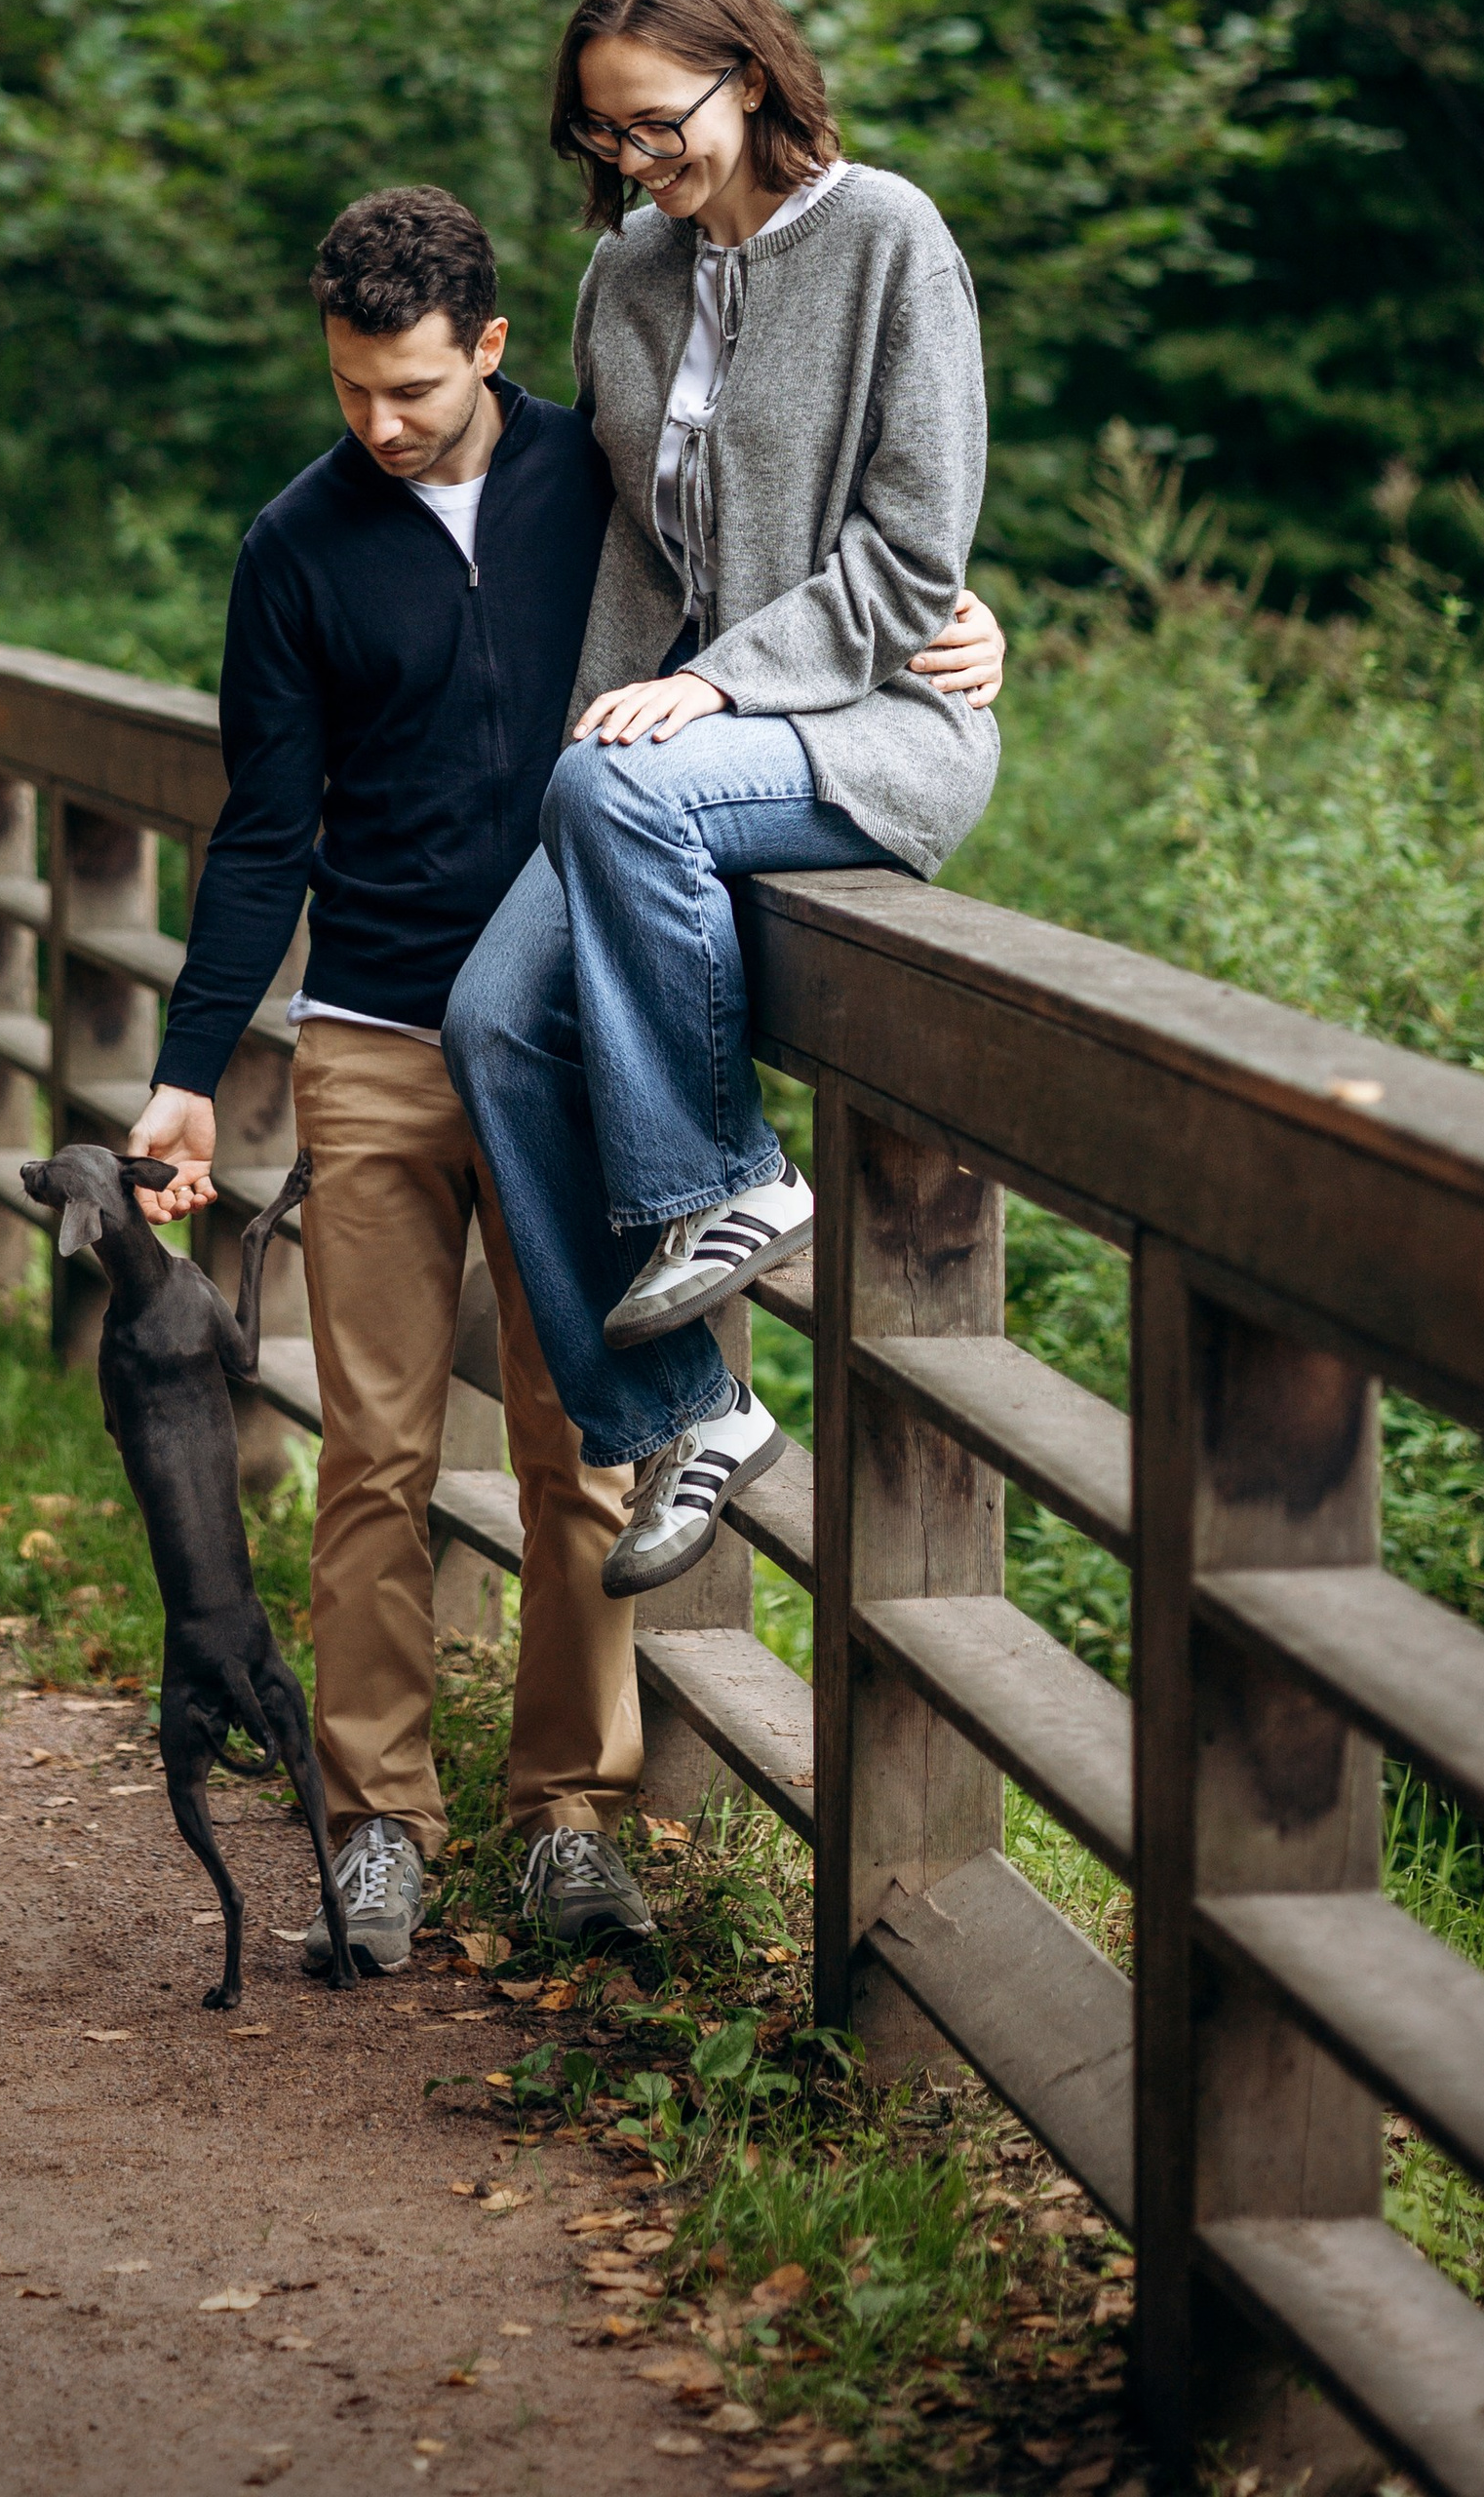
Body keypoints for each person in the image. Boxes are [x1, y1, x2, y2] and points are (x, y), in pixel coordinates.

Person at [128, 184, 1004, 1969]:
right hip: (375, 1040)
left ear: (497, 350)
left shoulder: (592, 482)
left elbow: (785, 574)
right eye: (353, 389)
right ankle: (375, 1830)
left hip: (567, 1049)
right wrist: (188, 1070)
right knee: (372, 1456)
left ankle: (570, 1825)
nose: (382, 426)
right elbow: (260, 831)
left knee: (576, 1455)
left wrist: (965, 630)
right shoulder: (294, 547)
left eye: (420, 396)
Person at [442, 0, 998, 1605]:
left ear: (749, 78)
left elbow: (914, 560)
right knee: (490, 1020)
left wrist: (714, 689)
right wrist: (636, 700)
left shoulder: (891, 238)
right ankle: (686, 1411)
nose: (632, 159)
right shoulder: (629, 276)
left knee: (616, 793)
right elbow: (631, 541)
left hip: (872, 725)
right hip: (657, 753)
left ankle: (731, 1180)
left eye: (655, 120)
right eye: (603, 135)